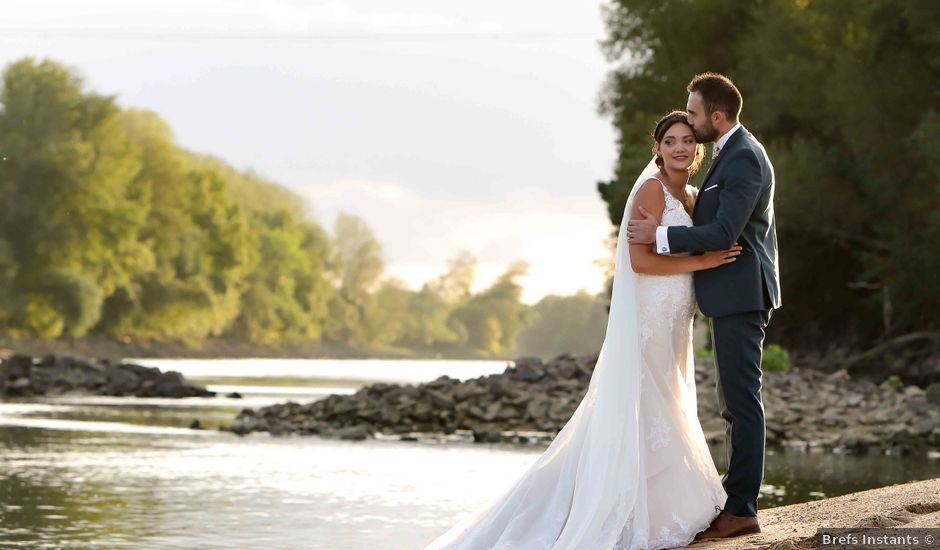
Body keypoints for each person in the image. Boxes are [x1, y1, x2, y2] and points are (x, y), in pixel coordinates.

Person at [423, 110, 741, 550]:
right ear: (658, 148)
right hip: (651, 314)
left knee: (669, 400)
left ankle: (657, 500)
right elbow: (641, 261)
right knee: (649, 405)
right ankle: (626, 508)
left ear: (698, 147)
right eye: (669, 141)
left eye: (687, 140)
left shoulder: (689, 195)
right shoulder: (651, 190)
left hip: (677, 318)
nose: (679, 148)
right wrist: (703, 261)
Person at [627, 72, 781, 541]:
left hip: (741, 294)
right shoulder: (727, 154)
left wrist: (660, 235)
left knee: (740, 402)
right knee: (731, 401)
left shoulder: (744, 158)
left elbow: (723, 233)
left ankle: (741, 509)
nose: (689, 126)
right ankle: (734, 502)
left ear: (716, 116)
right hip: (727, 296)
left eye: (693, 115)